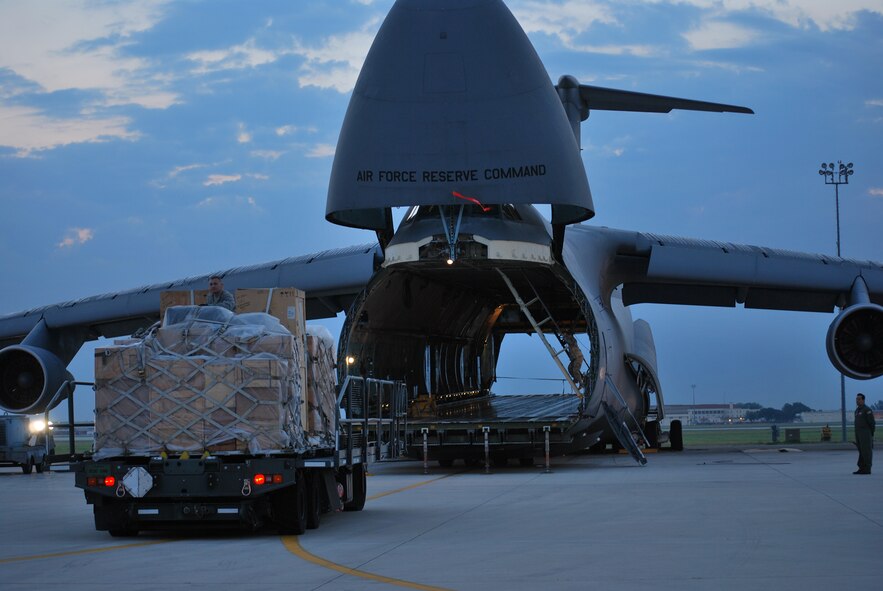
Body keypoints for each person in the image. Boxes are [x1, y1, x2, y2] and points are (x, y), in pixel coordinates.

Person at [853, 392, 875, 475]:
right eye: (856, 399)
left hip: (865, 434)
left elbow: (872, 423)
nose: (857, 401)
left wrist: (870, 434)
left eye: (859, 399)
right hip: (858, 434)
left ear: (863, 400)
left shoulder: (867, 410)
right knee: (861, 451)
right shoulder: (857, 411)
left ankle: (867, 468)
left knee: (867, 451)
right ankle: (861, 468)